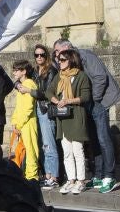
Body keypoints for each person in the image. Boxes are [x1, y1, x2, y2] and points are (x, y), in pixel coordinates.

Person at [55, 39, 120, 193]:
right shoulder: (69, 62)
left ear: (66, 47)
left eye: (57, 51)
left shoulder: (86, 56)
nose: (56, 55)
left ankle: (109, 176)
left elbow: (100, 77)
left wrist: (93, 100)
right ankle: (98, 175)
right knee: (93, 139)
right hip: (87, 104)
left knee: (104, 138)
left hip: (99, 101)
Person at [50, 48, 92, 194]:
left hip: (76, 116)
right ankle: (71, 179)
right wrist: (57, 101)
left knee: (77, 150)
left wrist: (68, 101)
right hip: (63, 118)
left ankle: (81, 181)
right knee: (66, 151)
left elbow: (85, 97)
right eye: (58, 60)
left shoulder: (81, 76)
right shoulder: (59, 76)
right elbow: (49, 91)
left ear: (71, 60)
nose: (59, 62)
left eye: (62, 60)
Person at [30, 45, 63, 188]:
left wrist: (30, 91)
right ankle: (48, 174)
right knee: (43, 145)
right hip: (36, 108)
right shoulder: (35, 71)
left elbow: (48, 93)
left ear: (46, 56)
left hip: (46, 108)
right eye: (36, 55)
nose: (39, 58)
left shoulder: (51, 71)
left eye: (42, 55)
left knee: (49, 143)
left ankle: (54, 176)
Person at [9, 60, 42, 180]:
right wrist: (14, 122)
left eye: (16, 70)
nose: (14, 73)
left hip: (28, 123)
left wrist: (19, 123)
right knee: (21, 150)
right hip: (21, 123)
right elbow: (18, 107)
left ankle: (32, 177)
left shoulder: (29, 84)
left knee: (31, 150)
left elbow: (28, 108)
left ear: (24, 71)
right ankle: (25, 176)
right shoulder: (21, 85)